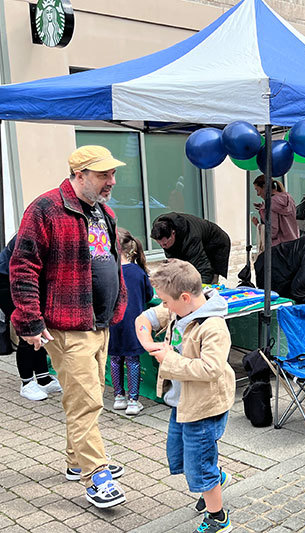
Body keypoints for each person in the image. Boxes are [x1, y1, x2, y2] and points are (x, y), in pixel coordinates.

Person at [10, 145, 128, 508]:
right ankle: (97, 475)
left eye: (112, 174)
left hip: (99, 322)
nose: (112, 181)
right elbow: (23, 266)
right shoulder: (45, 208)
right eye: (103, 175)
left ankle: (76, 462)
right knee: (87, 402)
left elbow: (108, 260)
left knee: (83, 396)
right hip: (68, 325)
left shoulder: (103, 211)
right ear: (80, 175)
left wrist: (118, 300)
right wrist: (29, 319)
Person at [135, 259, 235, 533]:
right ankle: (216, 479)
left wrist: (169, 358)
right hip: (183, 403)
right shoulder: (181, 311)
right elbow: (145, 318)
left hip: (203, 407)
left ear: (185, 297)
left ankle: (218, 518)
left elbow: (211, 369)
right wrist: (146, 339)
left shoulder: (213, 327)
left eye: (166, 301)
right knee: (181, 455)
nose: (164, 307)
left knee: (199, 466)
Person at [0, 236, 62, 401]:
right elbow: (24, 270)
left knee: (39, 327)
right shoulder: (33, 231)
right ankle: (27, 383)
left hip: (30, 281)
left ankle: (43, 378)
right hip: (7, 281)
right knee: (27, 329)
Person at [109, 229, 154, 416]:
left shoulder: (109, 271)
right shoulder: (137, 272)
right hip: (133, 323)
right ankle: (133, 400)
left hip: (112, 323)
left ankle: (119, 396)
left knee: (114, 359)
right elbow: (149, 295)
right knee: (133, 360)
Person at [151, 212, 231, 284]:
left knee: (209, 278)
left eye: (165, 244)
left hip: (216, 244)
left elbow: (204, 268)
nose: (163, 247)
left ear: (173, 233)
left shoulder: (191, 238)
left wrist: (202, 289)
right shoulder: (159, 226)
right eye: (160, 244)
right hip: (196, 240)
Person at [253, 176, 300, 247]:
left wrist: (258, 225)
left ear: (264, 187)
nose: (258, 194)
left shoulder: (270, 203)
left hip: (279, 248)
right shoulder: (289, 198)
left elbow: (272, 232)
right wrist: (264, 209)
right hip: (294, 243)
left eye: (257, 190)